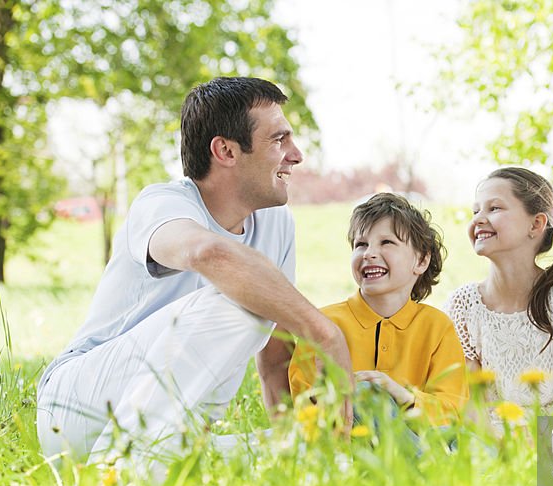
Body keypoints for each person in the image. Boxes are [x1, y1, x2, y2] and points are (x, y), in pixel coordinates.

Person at [36, 77, 353, 463]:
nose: (296, 154)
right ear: (225, 150)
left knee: (303, 450)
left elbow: (275, 355)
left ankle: (141, 465)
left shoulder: (276, 224)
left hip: (173, 433)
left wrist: (294, 430)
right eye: (278, 140)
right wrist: (324, 333)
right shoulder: (162, 204)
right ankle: (119, 479)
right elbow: (207, 253)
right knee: (241, 296)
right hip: (77, 409)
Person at [288, 193, 468, 425]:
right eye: (360, 244)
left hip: (419, 441)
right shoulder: (323, 323)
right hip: (347, 442)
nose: (369, 253)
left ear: (421, 261)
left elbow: (451, 411)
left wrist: (401, 395)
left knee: (475, 443)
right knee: (362, 393)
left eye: (387, 242)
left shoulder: (437, 326)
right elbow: (304, 406)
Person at [446, 167, 553, 417]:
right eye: (476, 210)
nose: (478, 218)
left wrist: (533, 447)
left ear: (536, 224)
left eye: (494, 208)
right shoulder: (464, 304)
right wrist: (503, 445)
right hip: (492, 442)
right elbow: (472, 407)